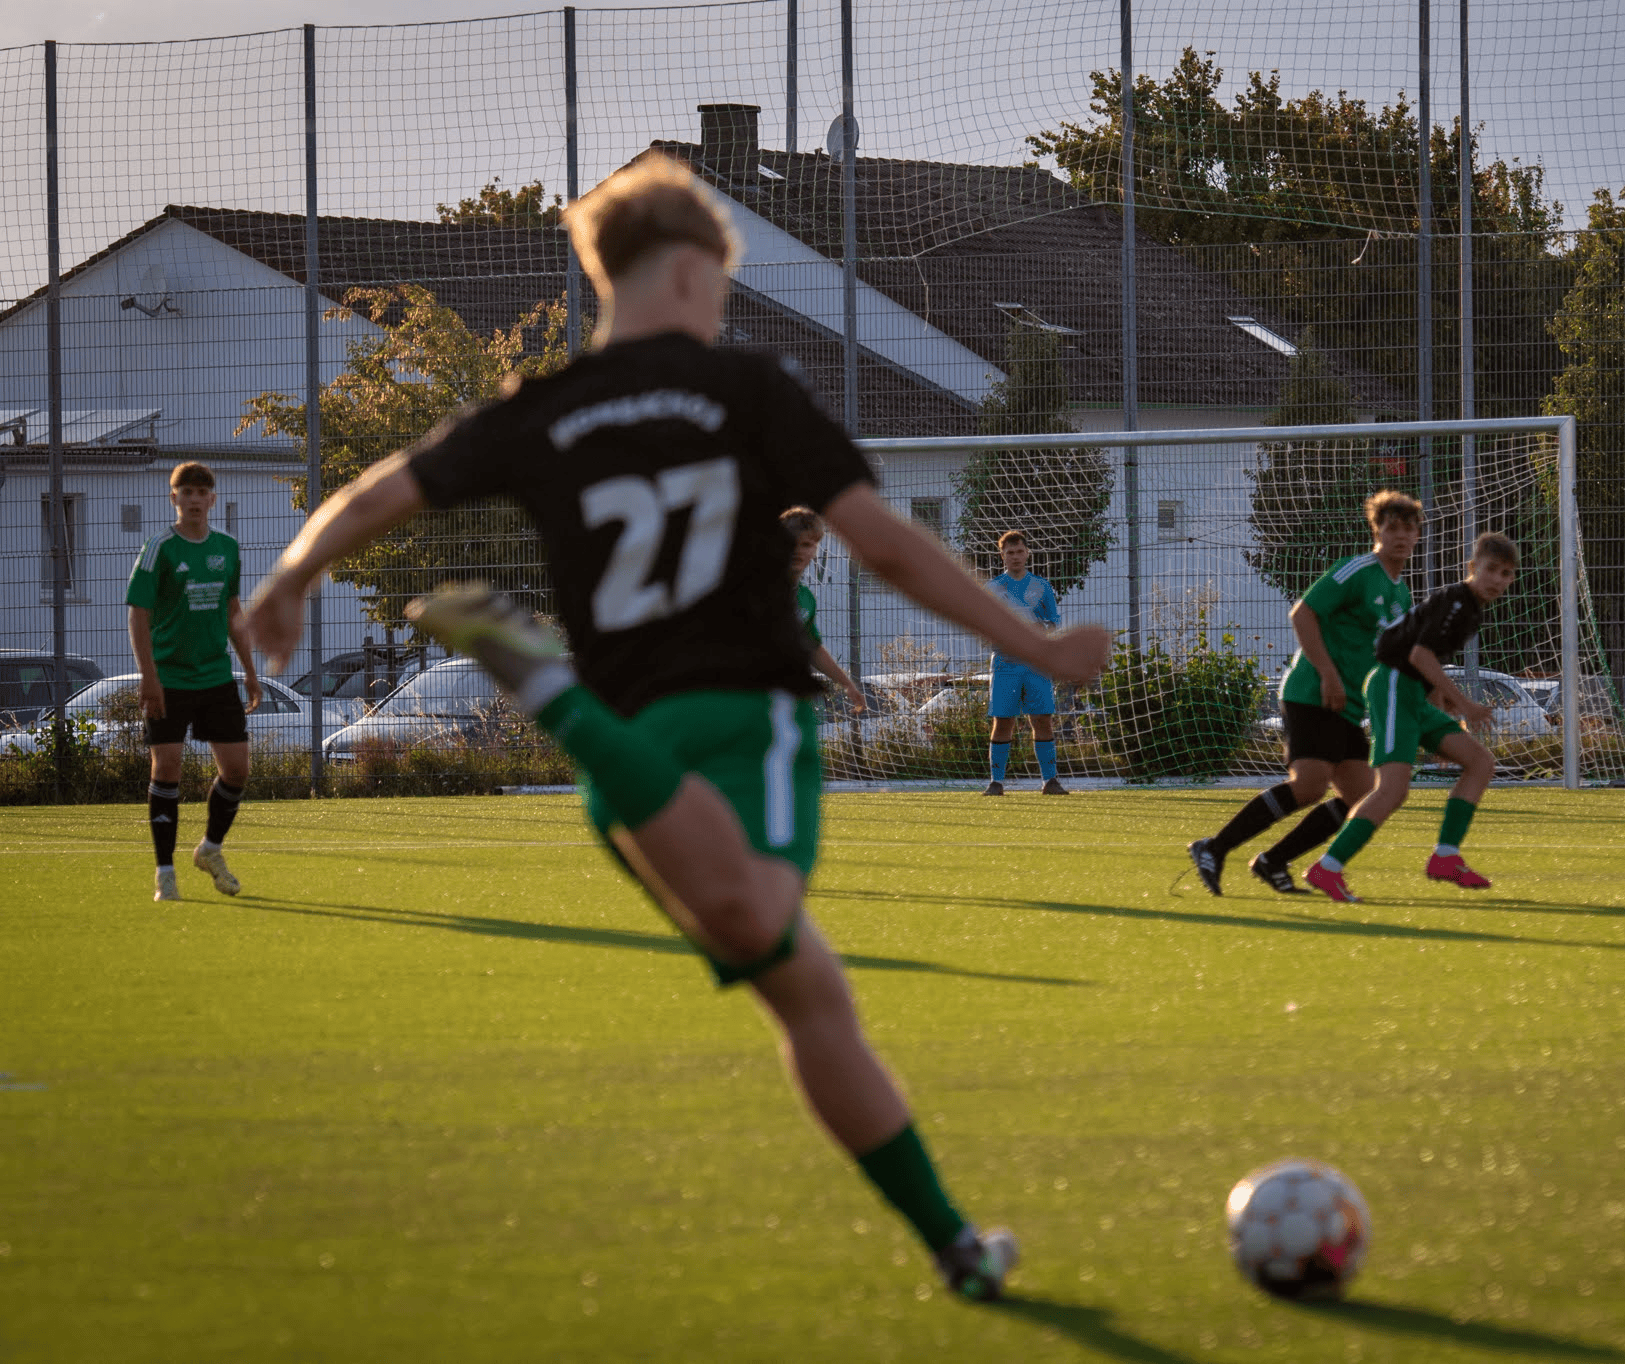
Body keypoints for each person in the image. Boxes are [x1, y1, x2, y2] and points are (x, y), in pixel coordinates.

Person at [247, 152, 1110, 1301]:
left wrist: (294, 572)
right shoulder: (747, 388)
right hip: (744, 721)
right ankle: (541, 683)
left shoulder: (541, 407)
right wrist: (1037, 646)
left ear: (607, 273)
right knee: (764, 912)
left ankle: (951, 1240)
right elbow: (888, 545)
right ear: (700, 270)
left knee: (806, 989)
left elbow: (384, 488)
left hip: (630, 756)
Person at [1188, 490, 1421, 896]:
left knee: (1361, 797)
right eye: (1391, 528)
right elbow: (1303, 612)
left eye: (1409, 528)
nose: (1400, 536)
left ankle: (1272, 862)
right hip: (1312, 692)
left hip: (1348, 705)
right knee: (1311, 785)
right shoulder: (1357, 571)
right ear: (1376, 531)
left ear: (1418, 534)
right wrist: (1328, 674)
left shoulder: (1402, 593)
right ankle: (1214, 847)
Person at [1305, 530, 1521, 903]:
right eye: (1491, 570)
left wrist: (1439, 717)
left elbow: (1427, 661)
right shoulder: (1456, 600)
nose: (1498, 580)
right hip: (1392, 686)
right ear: (1472, 568)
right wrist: (1465, 704)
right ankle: (1328, 867)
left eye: (1506, 573)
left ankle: (1446, 857)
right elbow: (1419, 656)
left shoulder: (1471, 610)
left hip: (1413, 696)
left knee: (1480, 763)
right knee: (1392, 789)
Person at [126, 460, 263, 902]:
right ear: (174, 500)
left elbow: (233, 614)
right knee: (166, 769)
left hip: (215, 676)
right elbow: (138, 614)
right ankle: (165, 873)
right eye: (186, 493)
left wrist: (250, 672)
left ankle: (209, 849)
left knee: (237, 770)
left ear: (212, 500)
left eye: (202, 493)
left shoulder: (227, 547)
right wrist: (150, 678)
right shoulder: (159, 548)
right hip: (168, 679)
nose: (195, 500)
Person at [983, 530, 1067, 796]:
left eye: (1020, 551)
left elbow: (1054, 622)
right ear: (1002, 556)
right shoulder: (993, 588)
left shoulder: (1041, 586)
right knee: (1003, 721)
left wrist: (1034, 627)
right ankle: (996, 783)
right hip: (1005, 663)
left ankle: (1050, 781)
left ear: (1027, 553)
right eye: (1010, 552)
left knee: (1042, 719)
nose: (1015, 557)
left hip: (1036, 662)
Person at [782, 505, 866, 716]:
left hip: (786, 699)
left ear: (815, 549)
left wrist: (847, 684)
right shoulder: (753, 589)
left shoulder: (805, 599)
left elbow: (812, 647)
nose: (799, 550)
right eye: (793, 543)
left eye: (807, 544)